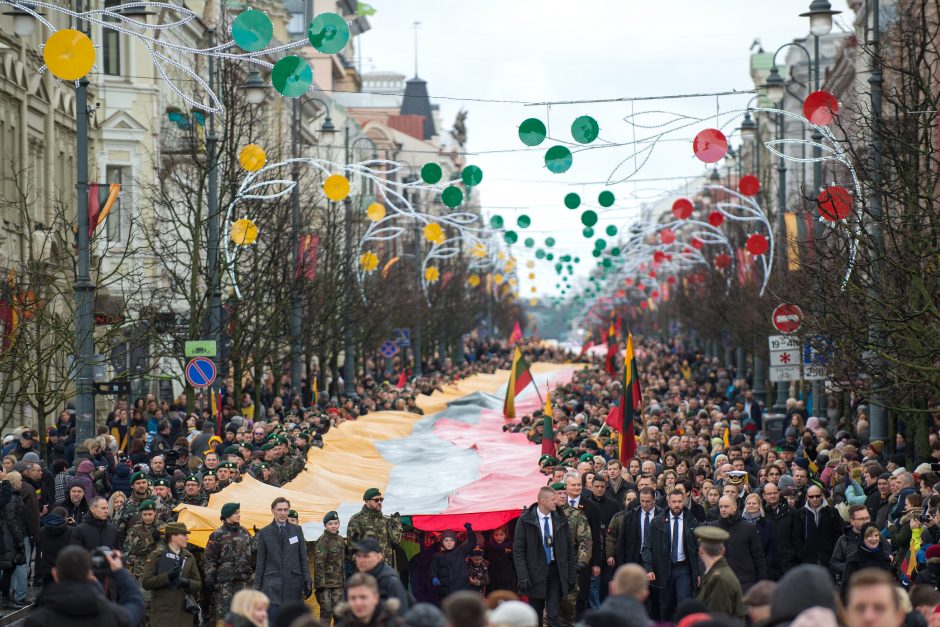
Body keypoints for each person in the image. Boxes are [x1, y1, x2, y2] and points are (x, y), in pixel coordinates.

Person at [24, 545, 145, 627]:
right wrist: (119, 571)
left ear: (55, 574)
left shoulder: (36, 620)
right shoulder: (113, 616)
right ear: (89, 574)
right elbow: (135, 602)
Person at [513, 486, 575, 627]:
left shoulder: (560, 518)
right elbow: (518, 551)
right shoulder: (525, 520)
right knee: (535, 615)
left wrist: (570, 574)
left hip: (555, 571)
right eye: (553, 499)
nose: (557, 501)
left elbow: (569, 549)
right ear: (542, 501)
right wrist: (523, 575)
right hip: (534, 573)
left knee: (554, 614)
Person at [642, 489, 699, 622]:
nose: (677, 504)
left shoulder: (691, 521)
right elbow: (646, 547)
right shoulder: (657, 522)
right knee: (665, 606)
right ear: (668, 502)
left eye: (680, 501)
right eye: (674, 502)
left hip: (683, 568)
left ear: (684, 501)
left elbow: (696, 549)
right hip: (663, 569)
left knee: (684, 603)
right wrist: (649, 568)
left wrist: (697, 573)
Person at [253, 497, 312, 620]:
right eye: (279, 510)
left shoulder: (297, 530)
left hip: (293, 584)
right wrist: (257, 587)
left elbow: (303, 557)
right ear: (273, 510)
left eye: (286, 510)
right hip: (272, 586)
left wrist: (307, 579)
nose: (283, 513)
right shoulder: (265, 533)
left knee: (293, 621)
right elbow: (261, 561)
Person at [141, 521, 203, 627]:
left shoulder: (189, 557)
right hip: (163, 614)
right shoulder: (157, 556)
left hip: (183, 614)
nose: (187, 538)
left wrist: (186, 582)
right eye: (184, 535)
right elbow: (146, 583)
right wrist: (168, 576)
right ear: (174, 537)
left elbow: (198, 583)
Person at [204, 502, 256, 621]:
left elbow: (253, 553)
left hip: (244, 582)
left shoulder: (244, 532)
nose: (239, 515)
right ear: (227, 515)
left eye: (239, 512)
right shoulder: (217, 534)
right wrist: (209, 581)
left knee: (244, 617)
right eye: (236, 513)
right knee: (225, 617)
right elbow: (210, 559)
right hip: (225, 584)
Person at [715, 494, 766, 592]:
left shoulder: (749, 528)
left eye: (726, 506)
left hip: (745, 581)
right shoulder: (714, 527)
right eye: (721, 507)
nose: (723, 509)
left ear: (734, 507)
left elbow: (758, 556)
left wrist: (761, 581)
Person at [693, 525, 745, 620]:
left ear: (701, 551)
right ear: (722, 550)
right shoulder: (717, 574)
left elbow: (716, 619)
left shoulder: (719, 579)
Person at [347, 488, 403, 570]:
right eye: (376, 500)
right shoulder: (357, 520)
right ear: (367, 501)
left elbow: (396, 541)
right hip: (369, 571)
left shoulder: (385, 520)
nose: (380, 502)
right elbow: (353, 550)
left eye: (381, 499)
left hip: (386, 569)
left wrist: (397, 524)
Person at [352, 538, 411, 615]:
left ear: (378, 557)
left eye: (366, 556)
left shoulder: (390, 581)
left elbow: (400, 615)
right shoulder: (355, 581)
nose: (361, 560)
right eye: (358, 556)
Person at [791, 485, 843, 570]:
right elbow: (796, 536)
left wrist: (833, 552)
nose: (814, 499)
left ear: (822, 495)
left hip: (827, 557)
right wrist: (801, 553)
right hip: (807, 559)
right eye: (811, 496)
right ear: (807, 497)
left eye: (817, 496)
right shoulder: (800, 513)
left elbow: (838, 534)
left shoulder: (832, 512)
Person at [841, 524, 894, 598]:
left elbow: (891, 584)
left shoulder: (885, 558)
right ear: (863, 538)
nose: (874, 539)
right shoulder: (854, 560)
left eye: (876, 535)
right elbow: (846, 587)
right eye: (870, 536)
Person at [313, 510, 346, 624]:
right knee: (326, 613)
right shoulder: (323, 541)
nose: (333, 526)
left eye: (336, 523)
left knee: (340, 614)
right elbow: (319, 564)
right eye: (330, 524)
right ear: (325, 525)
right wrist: (320, 586)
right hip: (326, 585)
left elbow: (343, 561)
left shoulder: (341, 540)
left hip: (339, 585)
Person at [430, 522, 477, 600]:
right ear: (442, 542)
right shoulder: (437, 556)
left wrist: (469, 530)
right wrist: (433, 577)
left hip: (463, 588)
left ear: (455, 541)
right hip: (446, 591)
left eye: (451, 540)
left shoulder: (461, 551)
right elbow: (432, 569)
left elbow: (472, 543)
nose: (449, 542)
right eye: (446, 540)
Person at [335, 572, 400, 627]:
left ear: (375, 598)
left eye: (363, 597)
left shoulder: (394, 624)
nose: (358, 603)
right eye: (353, 598)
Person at [831, 505, 872, 586]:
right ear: (852, 521)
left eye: (867, 518)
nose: (866, 521)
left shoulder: (878, 537)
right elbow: (834, 564)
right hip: (851, 586)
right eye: (861, 519)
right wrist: (851, 567)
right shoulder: (843, 540)